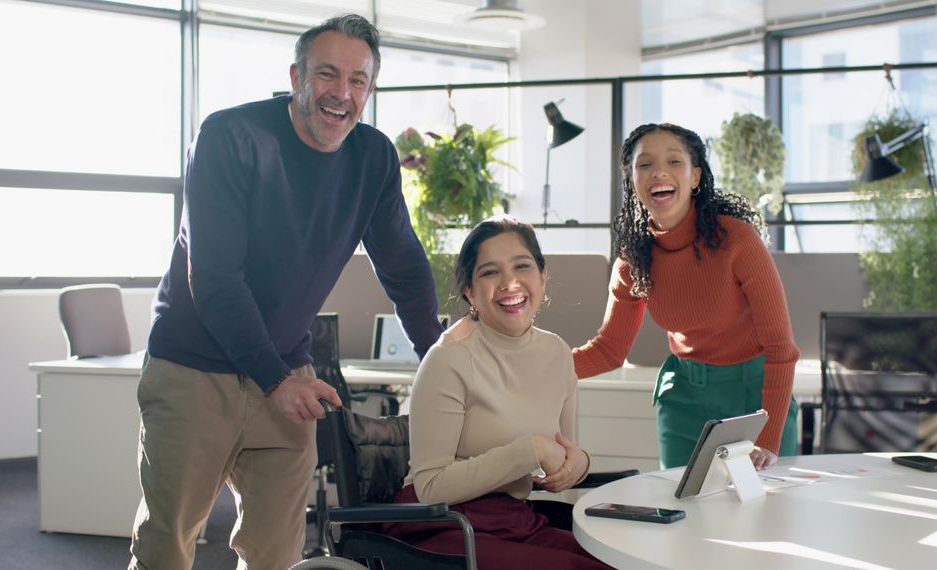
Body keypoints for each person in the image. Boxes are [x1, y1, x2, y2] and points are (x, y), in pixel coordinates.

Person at [128, 14, 444, 570]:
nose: (341, 94)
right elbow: (218, 277)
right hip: (193, 370)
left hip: (287, 374)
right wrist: (273, 377)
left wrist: (438, 356)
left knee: (277, 552)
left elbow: (404, 265)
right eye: (326, 75)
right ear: (296, 76)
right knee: (167, 546)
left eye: (358, 81)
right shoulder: (230, 137)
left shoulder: (372, 158)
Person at [384, 217, 611, 569]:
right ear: (470, 292)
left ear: (542, 275)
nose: (510, 283)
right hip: (442, 524)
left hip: (515, 520)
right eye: (490, 273)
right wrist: (528, 450)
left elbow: (564, 451)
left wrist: (579, 463)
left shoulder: (557, 354)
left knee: (623, 561)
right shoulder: (449, 359)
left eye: (522, 266)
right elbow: (429, 486)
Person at [573, 123, 799, 471]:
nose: (659, 172)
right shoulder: (634, 259)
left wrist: (767, 438)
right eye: (644, 164)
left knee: (768, 517)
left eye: (674, 161)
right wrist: (537, 365)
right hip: (683, 399)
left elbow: (780, 348)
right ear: (632, 181)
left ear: (695, 176)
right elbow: (609, 350)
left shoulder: (737, 240)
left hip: (755, 398)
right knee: (687, 517)